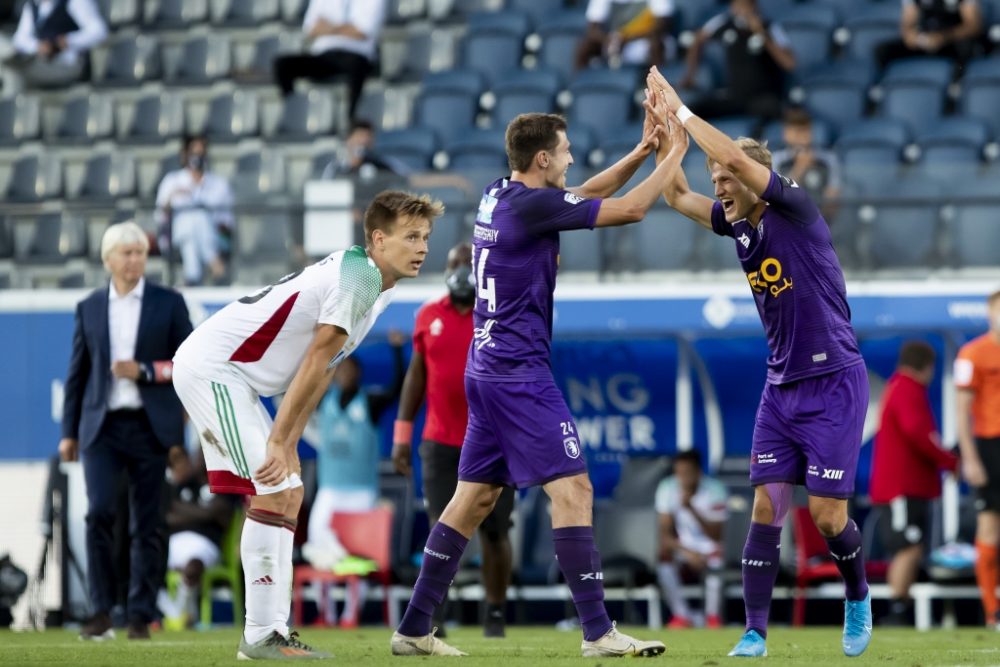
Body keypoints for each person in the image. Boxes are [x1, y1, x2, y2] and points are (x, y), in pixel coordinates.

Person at [390, 101, 687, 658]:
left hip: (486, 368)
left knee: (472, 501)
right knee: (574, 489)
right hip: (516, 374)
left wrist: (642, 152)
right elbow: (627, 211)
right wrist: (674, 155)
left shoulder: (500, 194)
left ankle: (413, 627)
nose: (573, 160)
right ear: (545, 157)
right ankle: (598, 632)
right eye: (567, 152)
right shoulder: (528, 207)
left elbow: (582, 197)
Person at [648, 65, 873, 658]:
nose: (719, 184)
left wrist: (686, 110)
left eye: (726, 176)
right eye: (715, 177)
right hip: (782, 388)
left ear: (755, 178)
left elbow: (741, 162)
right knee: (767, 507)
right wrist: (665, 139)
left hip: (833, 382)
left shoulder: (795, 208)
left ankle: (857, 593)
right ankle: (754, 631)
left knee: (827, 518)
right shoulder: (736, 225)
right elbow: (673, 195)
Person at [172, 190, 442, 660]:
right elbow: (317, 356)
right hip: (214, 370)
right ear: (378, 239)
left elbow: (327, 365)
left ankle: (272, 632)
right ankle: (260, 635)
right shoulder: (359, 277)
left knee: (289, 490)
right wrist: (278, 438)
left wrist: (290, 441)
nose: (422, 247)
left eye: (426, 237)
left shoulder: (372, 283)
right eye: (411, 236)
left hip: (240, 382)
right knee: (273, 490)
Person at [58, 221, 193, 641]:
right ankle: (100, 610)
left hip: (150, 427)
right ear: (108, 260)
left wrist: (146, 371)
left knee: (147, 524)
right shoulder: (90, 306)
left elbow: (190, 362)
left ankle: (139, 614)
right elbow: (77, 374)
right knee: (99, 513)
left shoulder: (169, 303)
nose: (135, 260)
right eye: (127, 253)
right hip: (102, 427)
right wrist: (69, 432)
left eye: (140, 252)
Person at [391, 242, 516, 639]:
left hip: (492, 440)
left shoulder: (498, 312)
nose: (461, 269)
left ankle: (494, 613)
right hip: (440, 442)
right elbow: (416, 377)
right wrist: (401, 435)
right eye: (454, 263)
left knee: (496, 531)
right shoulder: (428, 314)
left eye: (468, 263)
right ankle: (433, 617)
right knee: (440, 529)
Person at [300, 331, 405, 628]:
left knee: (358, 555)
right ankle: (327, 613)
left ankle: (349, 614)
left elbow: (396, 389)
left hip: (361, 492)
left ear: (359, 373)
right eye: (341, 369)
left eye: (351, 369)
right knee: (318, 550)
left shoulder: (369, 403)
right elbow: (301, 382)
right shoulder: (324, 402)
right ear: (334, 374)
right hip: (330, 491)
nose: (345, 374)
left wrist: (397, 350)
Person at [870, 340, 959, 626]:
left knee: (909, 547)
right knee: (908, 548)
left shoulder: (897, 387)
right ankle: (897, 609)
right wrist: (949, 460)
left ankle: (899, 605)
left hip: (903, 488)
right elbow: (918, 432)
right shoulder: (908, 389)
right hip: (902, 489)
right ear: (927, 365)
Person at [955, 289, 1000, 631]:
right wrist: (970, 458)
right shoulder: (972, 353)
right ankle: (991, 611)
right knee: (990, 527)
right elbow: (961, 409)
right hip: (990, 446)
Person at [161, 447, 240, 630]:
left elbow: (222, 513)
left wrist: (185, 510)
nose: (201, 460)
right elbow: (168, 514)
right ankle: (175, 613)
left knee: (193, 565)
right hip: (175, 542)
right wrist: (204, 513)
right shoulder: (184, 483)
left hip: (206, 544)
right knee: (145, 562)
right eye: (200, 454)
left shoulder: (224, 485)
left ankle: (180, 614)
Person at [681, 0, 795, 123]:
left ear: (754, 7)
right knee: (692, 111)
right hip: (735, 96)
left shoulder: (769, 27)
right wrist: (690, 75)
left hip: (762, 97)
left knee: (778, 110)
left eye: (746, 6)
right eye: (738, 5)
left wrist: (762, 34)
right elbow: (698, 39)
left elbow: (789, 63)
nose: (742, 10)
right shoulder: (724, 22)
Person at [273, 0, 386, 123]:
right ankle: (294, 113)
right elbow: (310, 29)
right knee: (282, 64)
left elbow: (363, 31)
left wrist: (328, 28)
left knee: (356, 66)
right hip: (325, 55)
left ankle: (352, 119)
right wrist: (347, 28)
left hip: (357, 54)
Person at [655, 450, 727, 629]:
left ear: (698, 472)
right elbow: (665, 535)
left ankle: (712, 616)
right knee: (663, 559)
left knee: (717, 559)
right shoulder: (667, 488)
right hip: (683, 548)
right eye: (679, 473)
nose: (683, 478)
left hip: (709, 547)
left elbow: (717, 535)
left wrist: (691, 508)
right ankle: (681, 615)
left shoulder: (716, 489)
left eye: (687, 473)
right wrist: (688, 553)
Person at [155, 135, 235, 286]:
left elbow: (228, 221)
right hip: (175, 236)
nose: (197, 157)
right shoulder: (172, 181)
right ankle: (215, 263)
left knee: (192, 235)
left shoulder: (219, 184)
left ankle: (192, 279)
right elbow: (160, 217)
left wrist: (207, 215)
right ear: (185, 154)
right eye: (193, 153)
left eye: (201, 153)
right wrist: (172, 197)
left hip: (215, 237)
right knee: (191, 221)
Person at [6, 0, 107, 90]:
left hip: (68, 63)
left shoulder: (75, 2)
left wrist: (69, 40)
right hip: (40, 60)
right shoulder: (32, 5)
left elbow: (99, 31)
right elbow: (19, 39)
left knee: (13, 72)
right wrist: (38, 46)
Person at [770, 108, 841, 223]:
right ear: (786, 134)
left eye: (806, 131)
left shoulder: (828, 160)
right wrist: (800, 168)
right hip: (788, 224)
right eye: (797, 132)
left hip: (822, 224)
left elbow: (833, 198)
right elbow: (778, 198)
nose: (802, 137)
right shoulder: (777, 160)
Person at [875, 0, 983, 73]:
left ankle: (956, 86)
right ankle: (885, 88)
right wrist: (912, 37)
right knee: (883, 50)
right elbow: (908, 24)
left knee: (966, 46)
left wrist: (944, 37)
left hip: (950, 40)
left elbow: (973, 25)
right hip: (925, 41)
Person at [575, 0, 676, 71]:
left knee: (656, 44)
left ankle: (657, 91)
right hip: (615, 41)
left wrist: (628, 38)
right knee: (585, 45)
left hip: (643, 40)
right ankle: (577, 87)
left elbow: (662, 25)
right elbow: (592, 29)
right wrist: (610, 40)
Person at [320, 119, 410, 180]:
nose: (364, 141)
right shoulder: (335, 168)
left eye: (368, 137)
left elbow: (403, 178)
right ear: (348, 139)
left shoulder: (382, 166)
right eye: (360, 136)